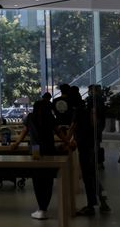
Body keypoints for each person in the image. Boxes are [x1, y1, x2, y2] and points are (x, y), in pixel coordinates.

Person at [11, 99, 67, 219]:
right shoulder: (50, 117)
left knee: (37, 178)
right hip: (49, 149)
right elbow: (59, 132)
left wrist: (16, 144)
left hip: (35, 150)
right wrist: (68, 141)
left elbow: (24, 132)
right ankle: (44, 207)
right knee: (48, 179)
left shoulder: (30, 117)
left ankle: (40, 208)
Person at [67, 88, 110, 216]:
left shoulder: (77, 111)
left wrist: (66, 142)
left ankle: (91, 205)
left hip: (84, 147)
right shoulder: (86, 109)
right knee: (93, 175)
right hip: (92, 144)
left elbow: (72, 128)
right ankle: (102, 201)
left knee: (87, 176)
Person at [87, 84, 107, 169]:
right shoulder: (101, 98)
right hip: (100, 123)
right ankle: (100, 162)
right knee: (98, 143)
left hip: (93, 123)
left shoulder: (91, 98)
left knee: (92, 143)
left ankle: (93, 161)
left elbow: (89, 110)